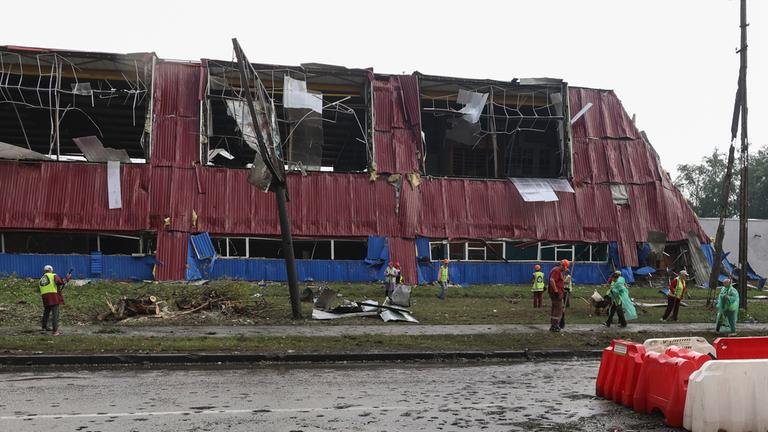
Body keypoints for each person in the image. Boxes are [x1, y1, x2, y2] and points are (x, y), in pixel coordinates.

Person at [39, 265, 71, 336]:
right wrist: (67, 278)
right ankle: (55, 331)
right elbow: (60, 282)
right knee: (55, 314)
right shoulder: (53, 275)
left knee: (46, 312)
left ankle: (44, 327)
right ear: (50, 269)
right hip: (53, 296)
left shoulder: (41, 279)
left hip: (45, 297)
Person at [548, 259, 569, 332]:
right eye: (564, 267)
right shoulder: (556, 270)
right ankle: (554, 325)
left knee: (555, 308)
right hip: (556, 293)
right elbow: (552, 280)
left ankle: (553, 324)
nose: (564, 269)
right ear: (562, 265)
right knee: (557, 309)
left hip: (557, 292)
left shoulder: (557, 270)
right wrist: (556, 290)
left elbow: (558, 281)